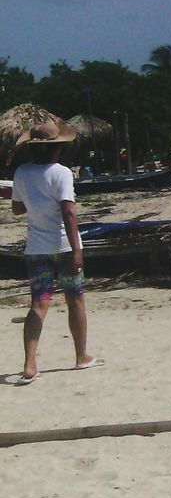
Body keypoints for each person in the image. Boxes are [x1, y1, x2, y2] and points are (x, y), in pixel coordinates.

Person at [11, 121, 100, 385]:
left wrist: (36, 201)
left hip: (36, 249)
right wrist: (77, 250)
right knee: (75, 299)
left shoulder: (22, 172)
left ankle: (29, 364)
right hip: (62, 247)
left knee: (39, 303)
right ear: (57, 148)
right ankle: (81, 355)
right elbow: (69, 211)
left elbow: (17, 209)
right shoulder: (61, 173)